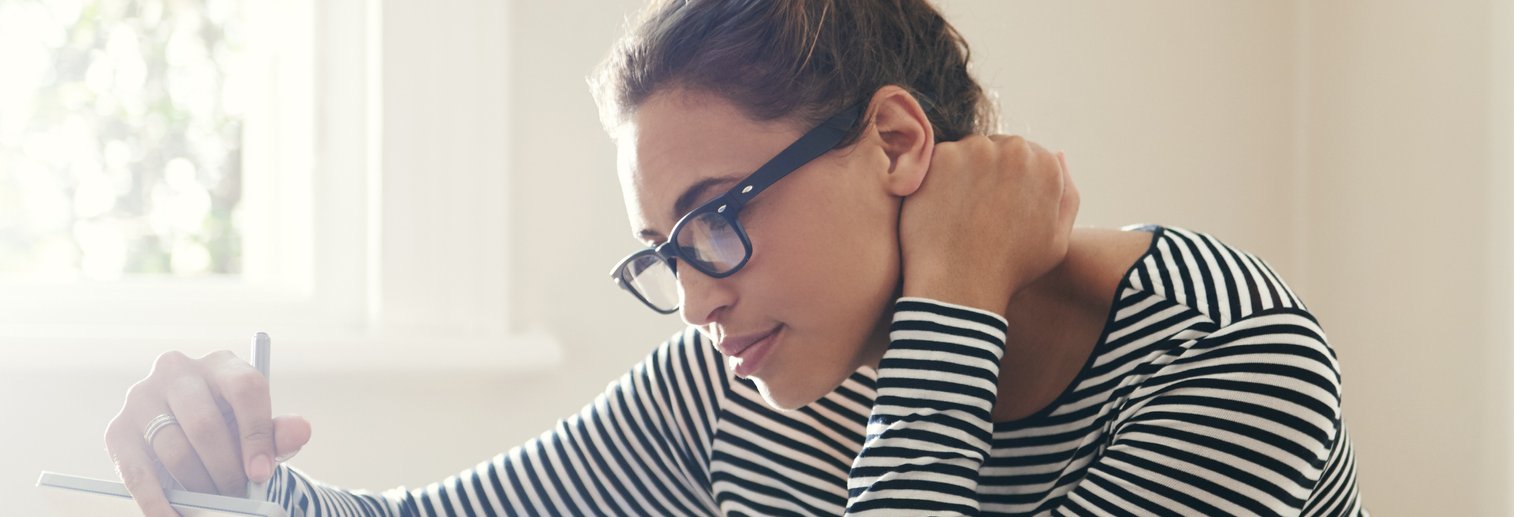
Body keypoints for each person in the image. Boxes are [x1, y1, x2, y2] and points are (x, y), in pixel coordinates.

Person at [101, 0, 1366, 515]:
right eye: (662, 253)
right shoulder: (738, 383)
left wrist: (952, 301)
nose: (697, 296)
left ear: (892, 138)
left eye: (715, 215)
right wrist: (233, 478)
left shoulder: (1228, 360)